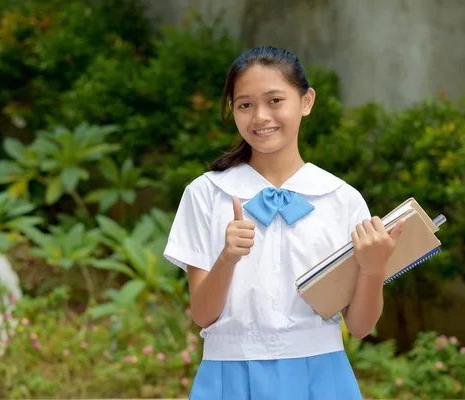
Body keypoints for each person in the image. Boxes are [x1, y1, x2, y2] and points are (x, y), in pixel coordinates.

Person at [163, 46, 405, 400]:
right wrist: (227, 257)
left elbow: (360, 326)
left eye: (275, 100)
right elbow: (202, 315)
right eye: (245, 104)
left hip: (321, 377)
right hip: (229, 378)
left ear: (306, 101)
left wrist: (373, 269)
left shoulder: (341, 199)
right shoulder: (206, 194)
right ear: (232, 110)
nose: (260, 116)